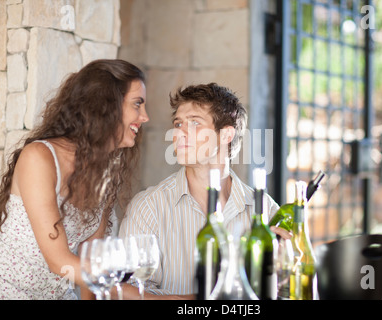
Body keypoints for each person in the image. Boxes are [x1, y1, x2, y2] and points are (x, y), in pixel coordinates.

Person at [0, 59, 149, 300]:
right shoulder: (39, 157)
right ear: (106, 105)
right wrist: (145, 294)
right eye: (137, 104)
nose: (145, 117)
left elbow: (91, 258)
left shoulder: (106, 169)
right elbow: (60, 262)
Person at [119, 83, 287, 299]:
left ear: (226, 135)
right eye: (178, 124)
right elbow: (122, 291)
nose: (178, 134)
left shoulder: (265, 209)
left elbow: (283, 290)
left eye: (194, 123)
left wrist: (284, 269)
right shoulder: (148, 207)